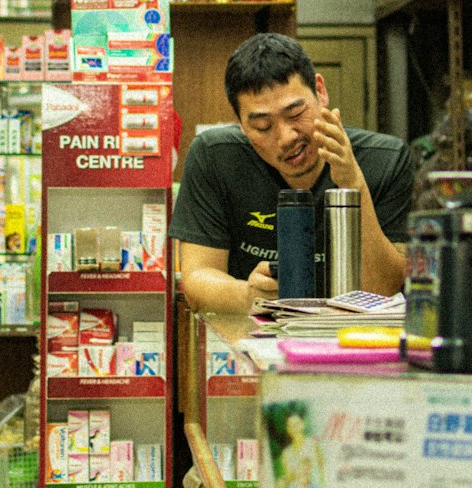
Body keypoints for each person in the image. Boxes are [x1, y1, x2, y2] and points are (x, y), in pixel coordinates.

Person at [170, 33, 413, 313]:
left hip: (349, 342)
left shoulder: (386, 160)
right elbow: (198, 280)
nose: (285, 138)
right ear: (240, 123)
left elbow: (384, 290)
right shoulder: (215, 157)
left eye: (296, 114)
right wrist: (250, 296)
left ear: (320, 92)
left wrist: (353, 184)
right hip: (253, 341)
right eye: (262, 126)